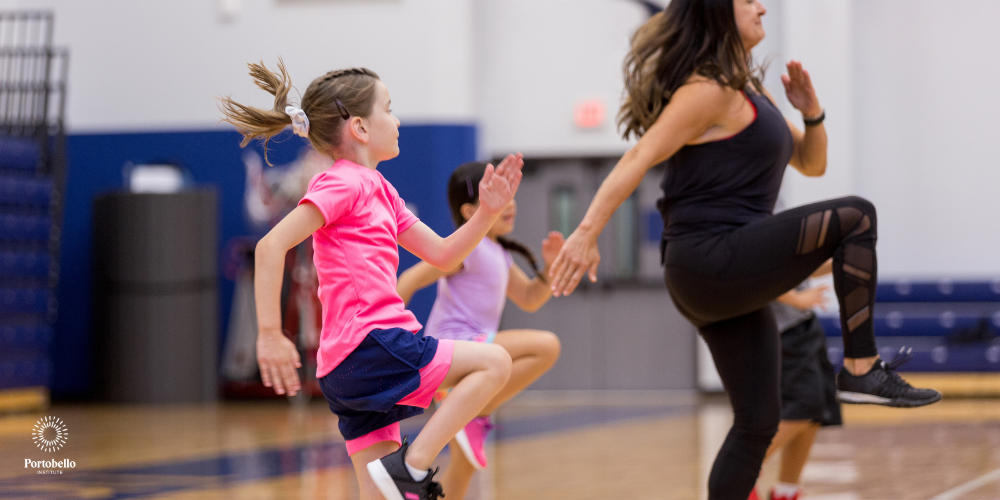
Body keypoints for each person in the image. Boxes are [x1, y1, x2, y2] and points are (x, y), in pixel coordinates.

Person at [545, 1, 941, 498]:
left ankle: (857, 374)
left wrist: (812, 112)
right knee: (856, 217)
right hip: (710, 257)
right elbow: (639, 156)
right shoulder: (706, 91)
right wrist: (586, 232)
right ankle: (861, 369)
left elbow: (811, 164)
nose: (762, 6)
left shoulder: (748, 89)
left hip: (718, 273)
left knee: (757, 421)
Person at [220, 60, 524, 500]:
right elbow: (270, 247)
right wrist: (269, 334)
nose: (398, 120)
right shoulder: (343, 182)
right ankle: (414, 467)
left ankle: (399, 475)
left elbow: (442, 253)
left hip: (348, 367)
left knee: (377, 493)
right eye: (390, 108)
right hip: (373, 344)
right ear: (360, 128)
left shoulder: (380, 189)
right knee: (494, 363)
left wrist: (486, 215)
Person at [397, 161, 563, 500]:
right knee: (546, 346)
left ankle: (471, 413)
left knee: (463, 465)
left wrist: (549, 269)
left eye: (511, 193)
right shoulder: (465, 248)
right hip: (456, 346)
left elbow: (531, 298)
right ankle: (479, 411)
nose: (511, 202)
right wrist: (389, 334)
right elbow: (409, 280)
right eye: (501, 194)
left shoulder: (498, 253)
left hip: (477, 350)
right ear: (472, 210)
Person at [750, 260, 841, 500]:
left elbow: (795, 267)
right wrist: (796, 299)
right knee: (803, 406)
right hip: (781, 332)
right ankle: (742, 471)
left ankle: (786, 492)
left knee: (814, 413)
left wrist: (843, 256)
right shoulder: (755, 223)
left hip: (804, 324)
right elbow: (756, 271)